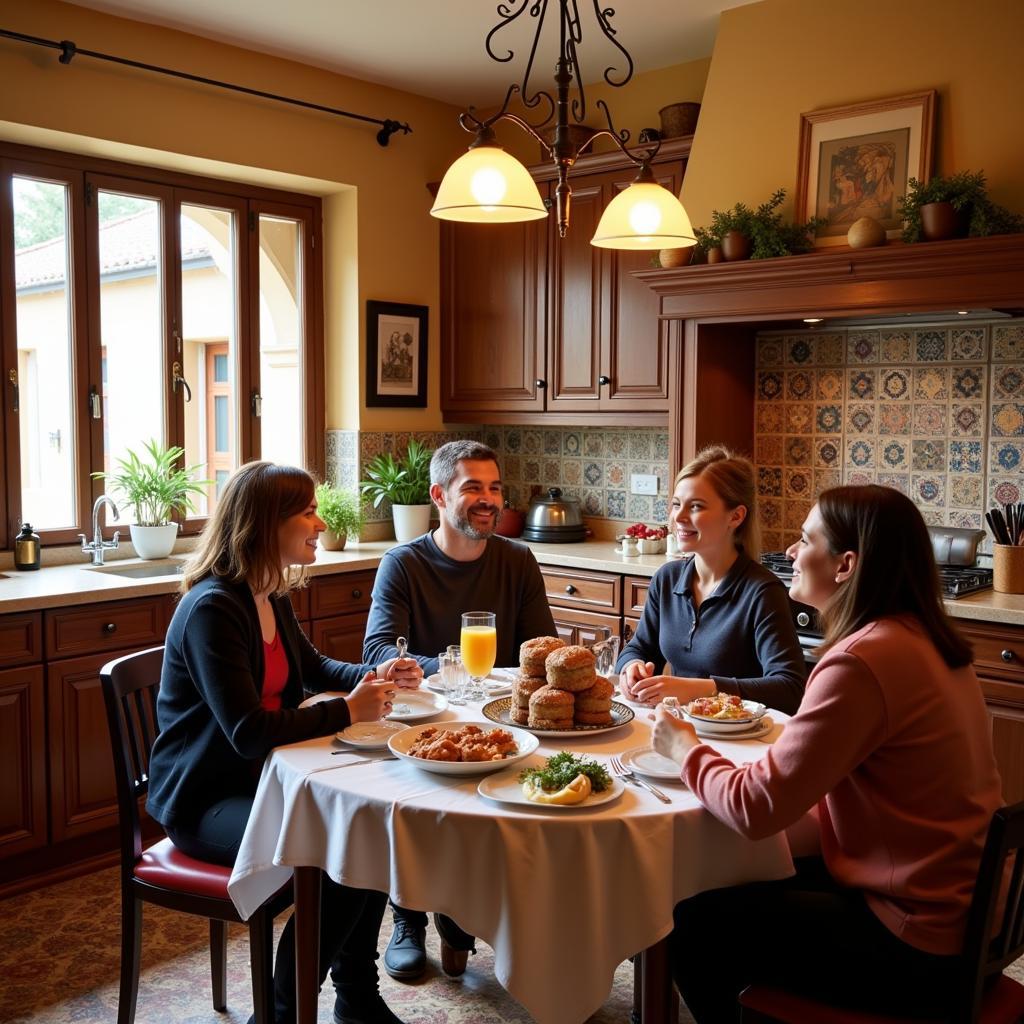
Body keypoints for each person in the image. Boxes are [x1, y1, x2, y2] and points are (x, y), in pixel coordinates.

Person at [652, 484, 1004, 1022]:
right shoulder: (925, 640)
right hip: (963, 913)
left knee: (693, 922)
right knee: (744, 880)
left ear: (845, 565)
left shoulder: (862, 661)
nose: (790, 552)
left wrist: (685, 749)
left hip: (914, 940)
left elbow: (755, 807)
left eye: (804, 538)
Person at [147, 462, 422, 1024]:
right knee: (337, 854)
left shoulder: (267, 592)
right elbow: (248, 733)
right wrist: (348, 711)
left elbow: (312, 666)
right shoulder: (213, 609)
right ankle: (276, 1015)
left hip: (264, 780)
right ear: (266, 524)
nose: (320, 523)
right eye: (308, 512)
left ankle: (355, 997)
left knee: (364, 833)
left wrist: (377, 674)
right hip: (205, 799)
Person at [362, 439, 557, 981]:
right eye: (472, 487)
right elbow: (378, 650)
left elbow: (541, 646)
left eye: (494, 488)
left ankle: (461, 913)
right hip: (421, 723)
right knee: (412, 808)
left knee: (501, 808)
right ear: (439, 495)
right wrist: (446, 668)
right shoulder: (401, 563)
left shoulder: (517, 559)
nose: (487, 500)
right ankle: (407, 918)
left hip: (495, 720)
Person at [615, 445, 806, 716]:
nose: (678, 518)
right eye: (676, 504)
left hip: (740, 742)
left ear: (736, 516)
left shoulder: (762, 592)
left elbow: (789, 689)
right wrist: (630, 666)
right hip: (676, 729)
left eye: (696, 506)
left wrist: (701, 689)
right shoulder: (667, 580)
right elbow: (640, 647)